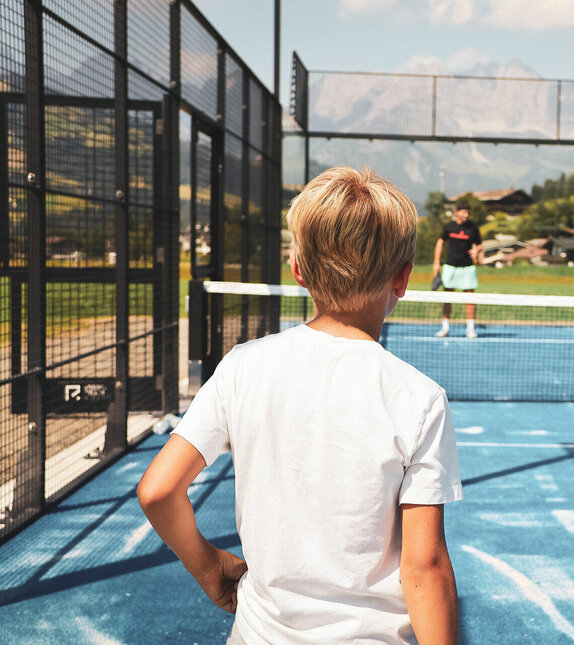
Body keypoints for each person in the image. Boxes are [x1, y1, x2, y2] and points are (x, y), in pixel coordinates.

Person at [138, 167, 462, 645]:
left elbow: (158, 491)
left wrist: (209, 567)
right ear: (402, 279)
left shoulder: (242, 366)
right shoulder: (419, 398)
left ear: (298, 270)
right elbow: (425, 566)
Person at [433, 201, 483, 339]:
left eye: (468, 212)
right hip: (450, 267)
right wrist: (437, 263)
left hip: (468, 268)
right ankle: (445, 328)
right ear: (457, 212)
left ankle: (471, 329)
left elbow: (479, 245)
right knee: (447, 298)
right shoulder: (449, 227)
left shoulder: (473, 228)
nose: (466, 214)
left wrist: (476, 250)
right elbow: (440, 242)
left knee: (470, 299)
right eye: (463, 211)